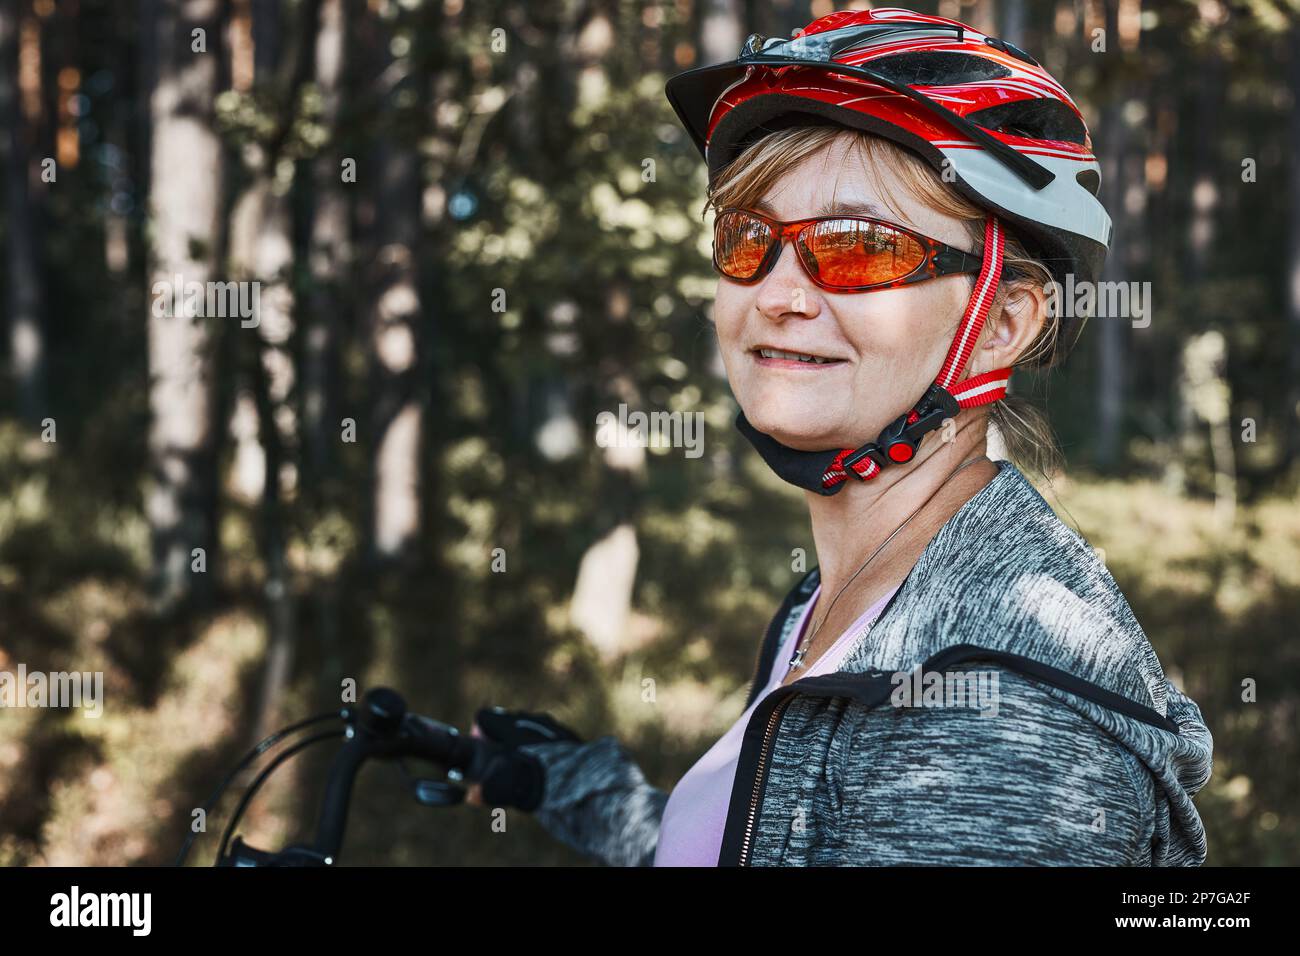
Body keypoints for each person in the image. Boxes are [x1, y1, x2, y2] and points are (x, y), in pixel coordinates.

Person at [466, 6, 1213, 866]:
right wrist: (571, 784)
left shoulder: (998, 714)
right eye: (750, 239)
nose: (778, 294)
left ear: (1002, 323)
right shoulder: (840, 600)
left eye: (858, 247)